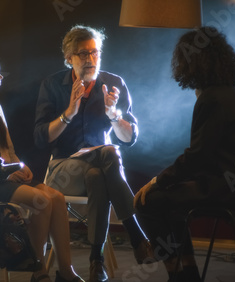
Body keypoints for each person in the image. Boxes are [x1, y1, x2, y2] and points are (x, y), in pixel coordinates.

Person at [133, 26, 235, 282]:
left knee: (147, 201)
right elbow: (206, 155)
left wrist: (159, 179)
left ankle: (177, 274)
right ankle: (187, 272)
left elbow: (198, 157)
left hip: (224, 189)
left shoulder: (212, 98)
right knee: (175, 209)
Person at [0, 53, 83, 282]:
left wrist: (20, 165)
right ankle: (37, 268)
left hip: (5, 176)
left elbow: (7, 149)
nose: (1, 76)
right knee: (42, 201)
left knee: (57, 198)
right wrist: (2, 170)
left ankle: (66, 271)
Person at [34, 25, 152, 282]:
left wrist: (114, 116)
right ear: (69, 58)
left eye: (95, 53)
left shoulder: (113, 83)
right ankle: (136, 233)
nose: (90, 60)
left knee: (99, 173)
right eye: (83, 54)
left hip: (101, 169)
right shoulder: (53, 85)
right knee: (109, 152)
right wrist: (69, 113)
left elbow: (129, 138)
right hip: (63, 169)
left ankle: (95, 261)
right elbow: (41, 138)